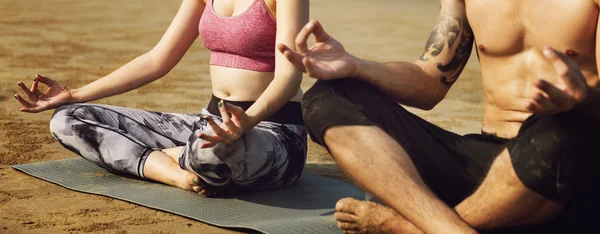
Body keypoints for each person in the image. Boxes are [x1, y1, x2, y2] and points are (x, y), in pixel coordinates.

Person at [278, 0, 600, 233]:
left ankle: (405, 226)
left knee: (562, 128)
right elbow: (431, 81)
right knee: (327, 97)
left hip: (570, 163)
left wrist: (581, 99)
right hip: (490, 160)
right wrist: (356, 67)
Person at [14, 0, 309, 197]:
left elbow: (289, 76)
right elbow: (158, 59)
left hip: (274, 131)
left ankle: (177, 155)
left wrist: (247, 122)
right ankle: (169, 171)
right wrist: (75, 94)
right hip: (210, 122)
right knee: (68, 119)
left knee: (207, 150)